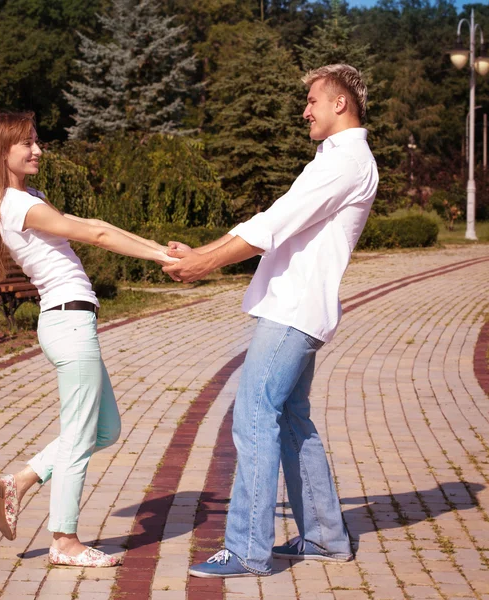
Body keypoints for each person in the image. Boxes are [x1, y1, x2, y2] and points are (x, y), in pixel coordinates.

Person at [163, 64, 379, 577]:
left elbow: (273, 224)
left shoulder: (345, 162)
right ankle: (326, 538)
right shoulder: (336, 159)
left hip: (293, 311)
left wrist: (204, 263)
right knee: (292, 422)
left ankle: (247, 549)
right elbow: (276, 221)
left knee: (254, 415)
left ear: (339, 104)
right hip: (297, 308)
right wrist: (204, 252)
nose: (304, 110)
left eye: (311, 100)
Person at [0, 112, 177, 568]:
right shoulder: (19, 206)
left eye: (36, 141)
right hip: (68, 324)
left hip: (70, 322)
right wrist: (169, 258)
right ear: (2, 151)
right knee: (81, 437)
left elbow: (98, 222)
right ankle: (64, 540)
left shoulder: (31, 199)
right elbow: (98, 235)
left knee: (104, 430)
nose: (37, 149)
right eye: (27, 143)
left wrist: (162, 251)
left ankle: (21, 480)